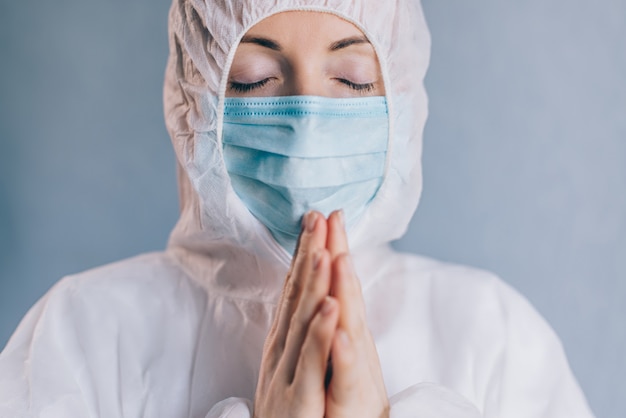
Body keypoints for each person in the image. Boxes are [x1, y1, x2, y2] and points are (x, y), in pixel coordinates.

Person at [0, 0, 594, 417]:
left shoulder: (493, 338)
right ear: (195, 97)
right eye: (255, 79)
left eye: (354, 80)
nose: (307, 120)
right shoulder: (81, 338)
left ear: (404, 94)